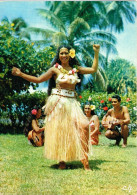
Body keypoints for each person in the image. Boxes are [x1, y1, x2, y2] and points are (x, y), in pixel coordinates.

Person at [12, 44, 100, 170]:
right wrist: (21, 74)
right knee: (61, 131)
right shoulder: (54, 69)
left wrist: (96, 52)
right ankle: (61, 160)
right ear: (59, 55)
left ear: (71, 54)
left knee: (85, 126)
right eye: (61, 53)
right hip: (59, 102)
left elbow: (93, 69)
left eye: (66, 53)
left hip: (72, 102)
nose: (64, 55)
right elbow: (38, 79)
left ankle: (84, 158)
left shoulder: (76, 68)